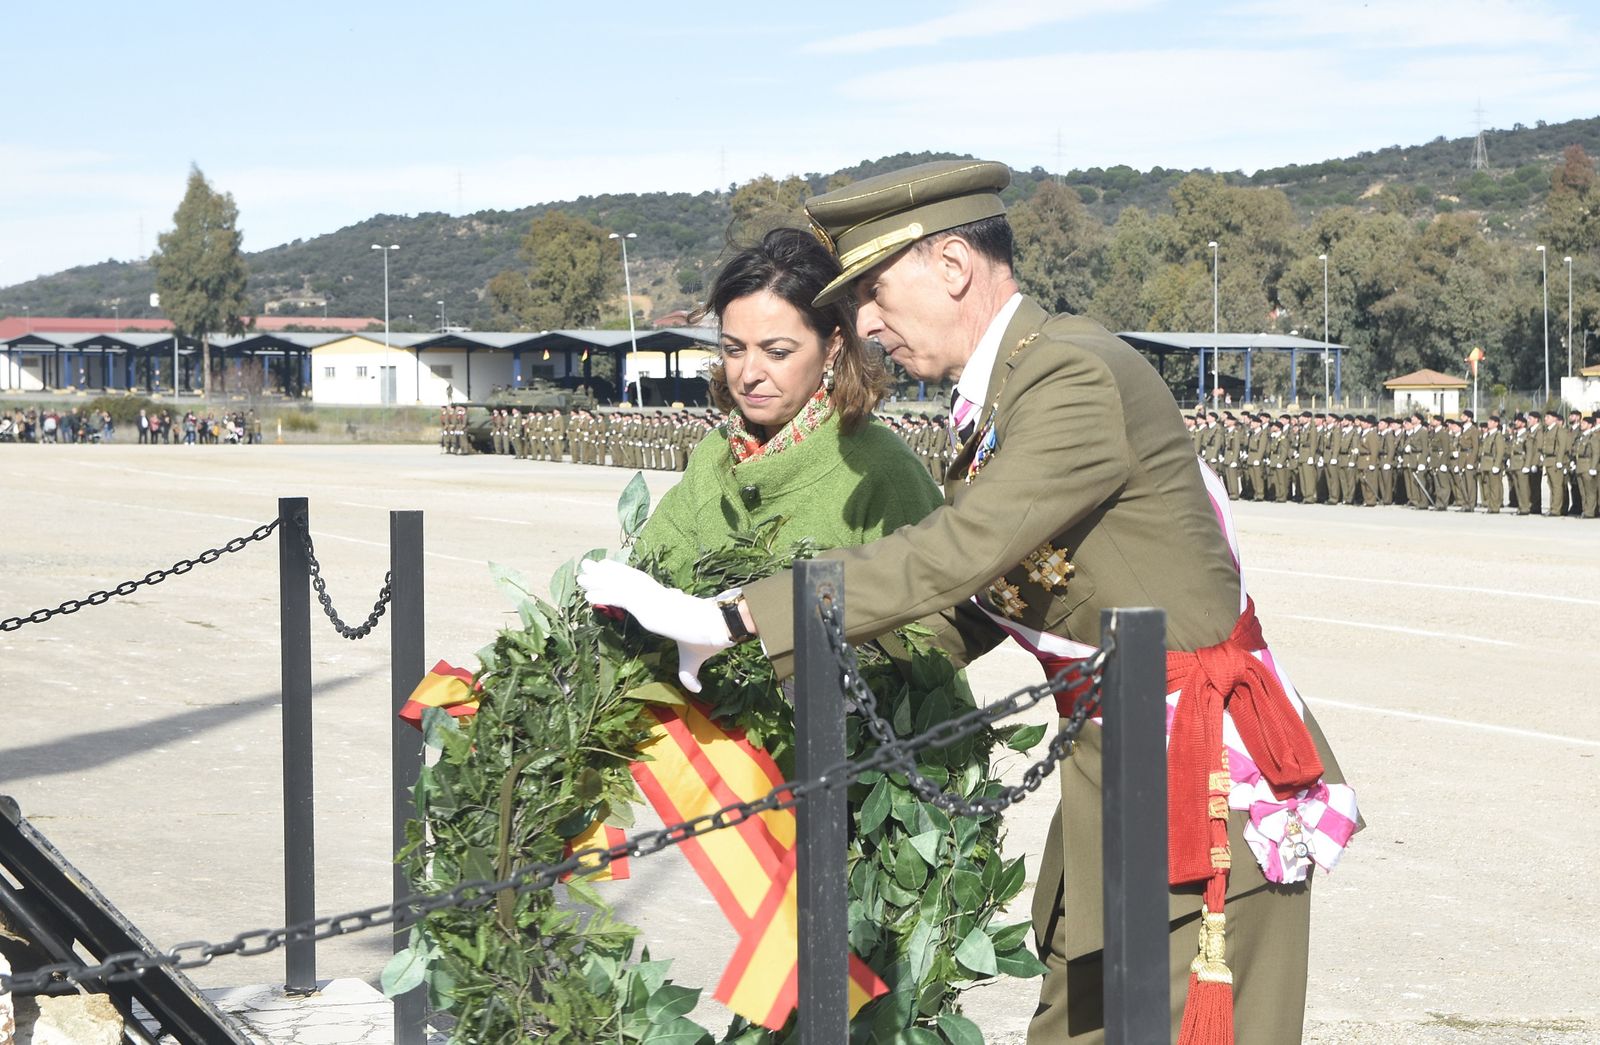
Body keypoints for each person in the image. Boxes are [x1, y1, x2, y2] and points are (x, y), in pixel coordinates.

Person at [579, 159, 1358, 1045]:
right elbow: (982, 603)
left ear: (951, 267)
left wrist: (737, 615)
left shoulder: (1071, 375)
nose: (865, 325)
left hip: (1196, 791)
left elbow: (960, 550)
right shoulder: (1010, 390)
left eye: (873, 292)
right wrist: (769, 661)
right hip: (1120, 778)